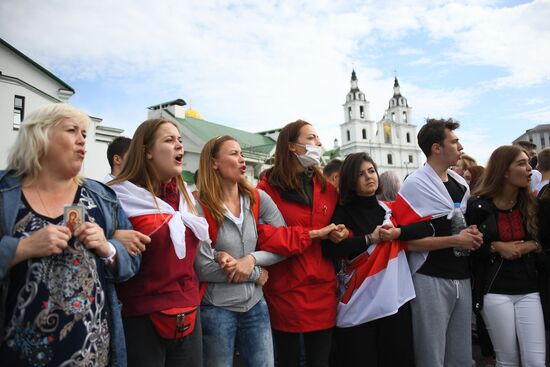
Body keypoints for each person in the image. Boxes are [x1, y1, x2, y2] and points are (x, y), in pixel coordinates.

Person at [0, 103, 139, 367]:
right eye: (72, 130)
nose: (82, 140)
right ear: (39, 137)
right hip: (18, 355)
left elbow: (132, 262)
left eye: (85, 134)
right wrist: (22, 249)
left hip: (92, 354)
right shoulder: (5, 194)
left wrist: (107, 248)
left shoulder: (101, 197)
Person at [109, 119, 210, 367]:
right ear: (147, 152)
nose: (179, 147)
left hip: (189, 311)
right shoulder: (117, 196)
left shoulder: (185, 196)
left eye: (180, 140)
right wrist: (109, 237)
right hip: (142, 317)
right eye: (169, 140)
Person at [322, 153, 437, 366]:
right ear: (349, 181)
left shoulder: (390, 209)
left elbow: (428, 227)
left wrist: (398, 233)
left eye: (371, 171)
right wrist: (369, 239)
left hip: (394, 301)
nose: (369, 177)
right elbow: (329, 250)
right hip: (359, 303)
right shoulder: (343, 212)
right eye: (360, 174)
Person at [391, 118, 483, 367]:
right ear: (436, 148)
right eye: (454, 141)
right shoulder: (415, 185)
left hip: (461, 276)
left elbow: (457, 225)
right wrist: (456, 239)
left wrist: (470, 234)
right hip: (430, 276)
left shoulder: (461, 184)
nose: (460, 147)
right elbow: (407, 242)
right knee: (431, 353)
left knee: (461, 354)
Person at [195, 135, 293, 366]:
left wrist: (251, 259)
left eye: (242, 154)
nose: (242, 160)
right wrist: (255, 273)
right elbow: (202, 267)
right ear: (213, 163)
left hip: (255, 306)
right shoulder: (197, 204)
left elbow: (284, 243)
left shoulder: (258, 198)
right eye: (233, 154)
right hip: (216, 309)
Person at [256, 119, 347, 367]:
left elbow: (342, 224)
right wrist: (314, 234)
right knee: (288, 360)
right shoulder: (267, 189)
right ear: (293, 147)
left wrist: (342, 232)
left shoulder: (327, 188)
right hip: (286, 291)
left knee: (320, 361)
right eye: (312, 138)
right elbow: (264, 237)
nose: (319, 143)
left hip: (323, 290)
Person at [467, 145, 545, 366]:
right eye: (521, 164)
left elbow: (544, 242)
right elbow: (470, 248)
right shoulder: (478, 205)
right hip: (494, 290)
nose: (529, 169)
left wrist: (528, 245)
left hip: (529, 288)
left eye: (528, 163)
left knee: (536, 361)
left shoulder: (532, 204)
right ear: (504, 171)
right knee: (508, 360)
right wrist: (496, 247)